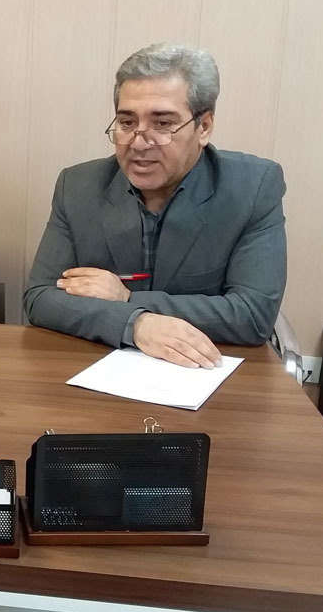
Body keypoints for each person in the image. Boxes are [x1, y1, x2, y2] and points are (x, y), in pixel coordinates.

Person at [23, 43, 286, 368]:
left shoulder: (252, 187)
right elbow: (40, 298)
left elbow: (253, 314)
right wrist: (135, 324)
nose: (138, 142)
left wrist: (128, 299)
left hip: (207, 371)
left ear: (203, 127)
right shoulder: (78, 186)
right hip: (101, 370)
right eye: (127, 122)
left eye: (162, 124)